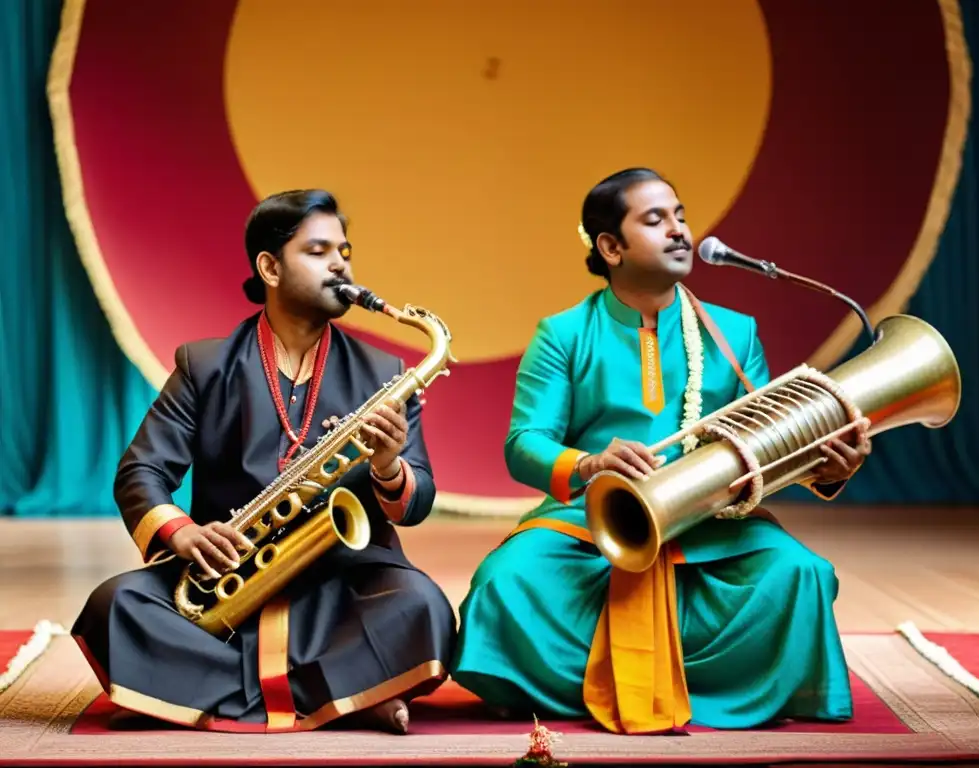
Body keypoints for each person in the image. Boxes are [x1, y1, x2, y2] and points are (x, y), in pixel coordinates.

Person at [450, 168, 871, 735]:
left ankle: (585, 685)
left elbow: (772, 442)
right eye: (656, 220)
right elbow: (524, 446)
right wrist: (592, 464)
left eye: (680, 215)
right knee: (508, 581)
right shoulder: (564, 334)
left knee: (798, 573)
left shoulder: (735, 333)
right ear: (611, 247)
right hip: (590, 525)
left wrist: (825, 468)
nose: (679, 230)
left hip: (710, 522)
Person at [72, 189, 456, 734]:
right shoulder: (203, 365)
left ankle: (185, 691)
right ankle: (351, 693)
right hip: (222, 574)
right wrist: (181, 534)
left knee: (422, 606)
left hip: (340, 582)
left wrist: (389, 467)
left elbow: (417, 502)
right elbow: (142, 472)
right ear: (270, 267)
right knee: (114, 605)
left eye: (345, 251)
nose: (341, 264)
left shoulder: (386, 372)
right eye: (319, 251)